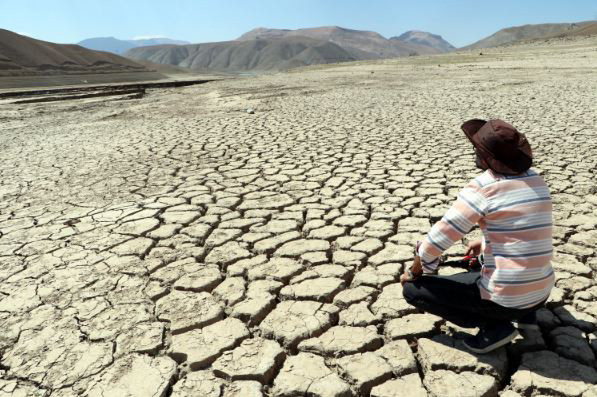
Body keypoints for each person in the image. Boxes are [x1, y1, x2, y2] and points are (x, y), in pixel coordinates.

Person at [400, 119, 554, 354]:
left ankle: (494, 327)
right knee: (480, 264)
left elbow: (438, 238)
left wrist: (417, 269)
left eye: (477, 149)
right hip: (541, 293)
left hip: (505, 300)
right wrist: (484, 244)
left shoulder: (485, 186)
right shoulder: (536, 179)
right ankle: (527, 319)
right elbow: (525, 233)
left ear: (486, 157)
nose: (474, 152)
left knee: (413, 291)